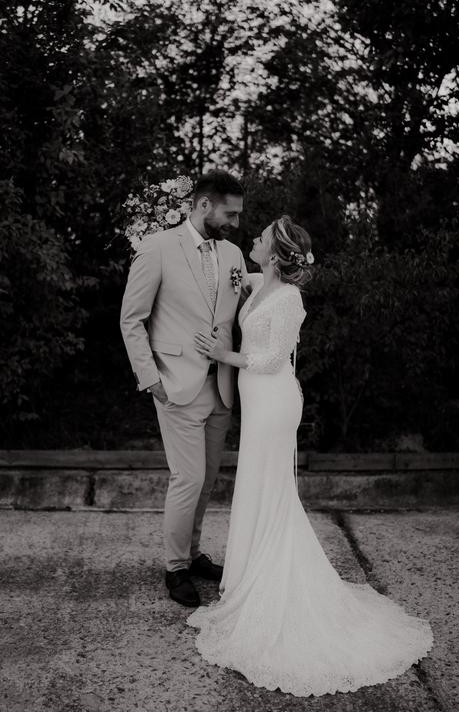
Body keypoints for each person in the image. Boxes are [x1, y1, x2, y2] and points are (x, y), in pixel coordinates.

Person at [187, 215, 433, 697]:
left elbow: (271, 360)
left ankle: (272, 585)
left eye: (261, 238)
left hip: (274, 402)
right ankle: (250, 576)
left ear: (276, 254)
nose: (253, 239)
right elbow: (235, 279)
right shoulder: (259, 283)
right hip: (256, 401)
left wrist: (222, 354)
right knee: (258, 485)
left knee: (270, 488)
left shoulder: (290, 299)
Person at [120, 170, 250, 608]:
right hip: (176, 384)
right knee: (188, 478)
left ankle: (193, 555)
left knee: (207, 480)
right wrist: (150, 378)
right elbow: (131, 319)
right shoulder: (157, 248)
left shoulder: (233, 254)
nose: (235, 222)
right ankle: (174, 567)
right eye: (230, 213)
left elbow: (242, 306)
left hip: (222, 386)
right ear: (203, 205)